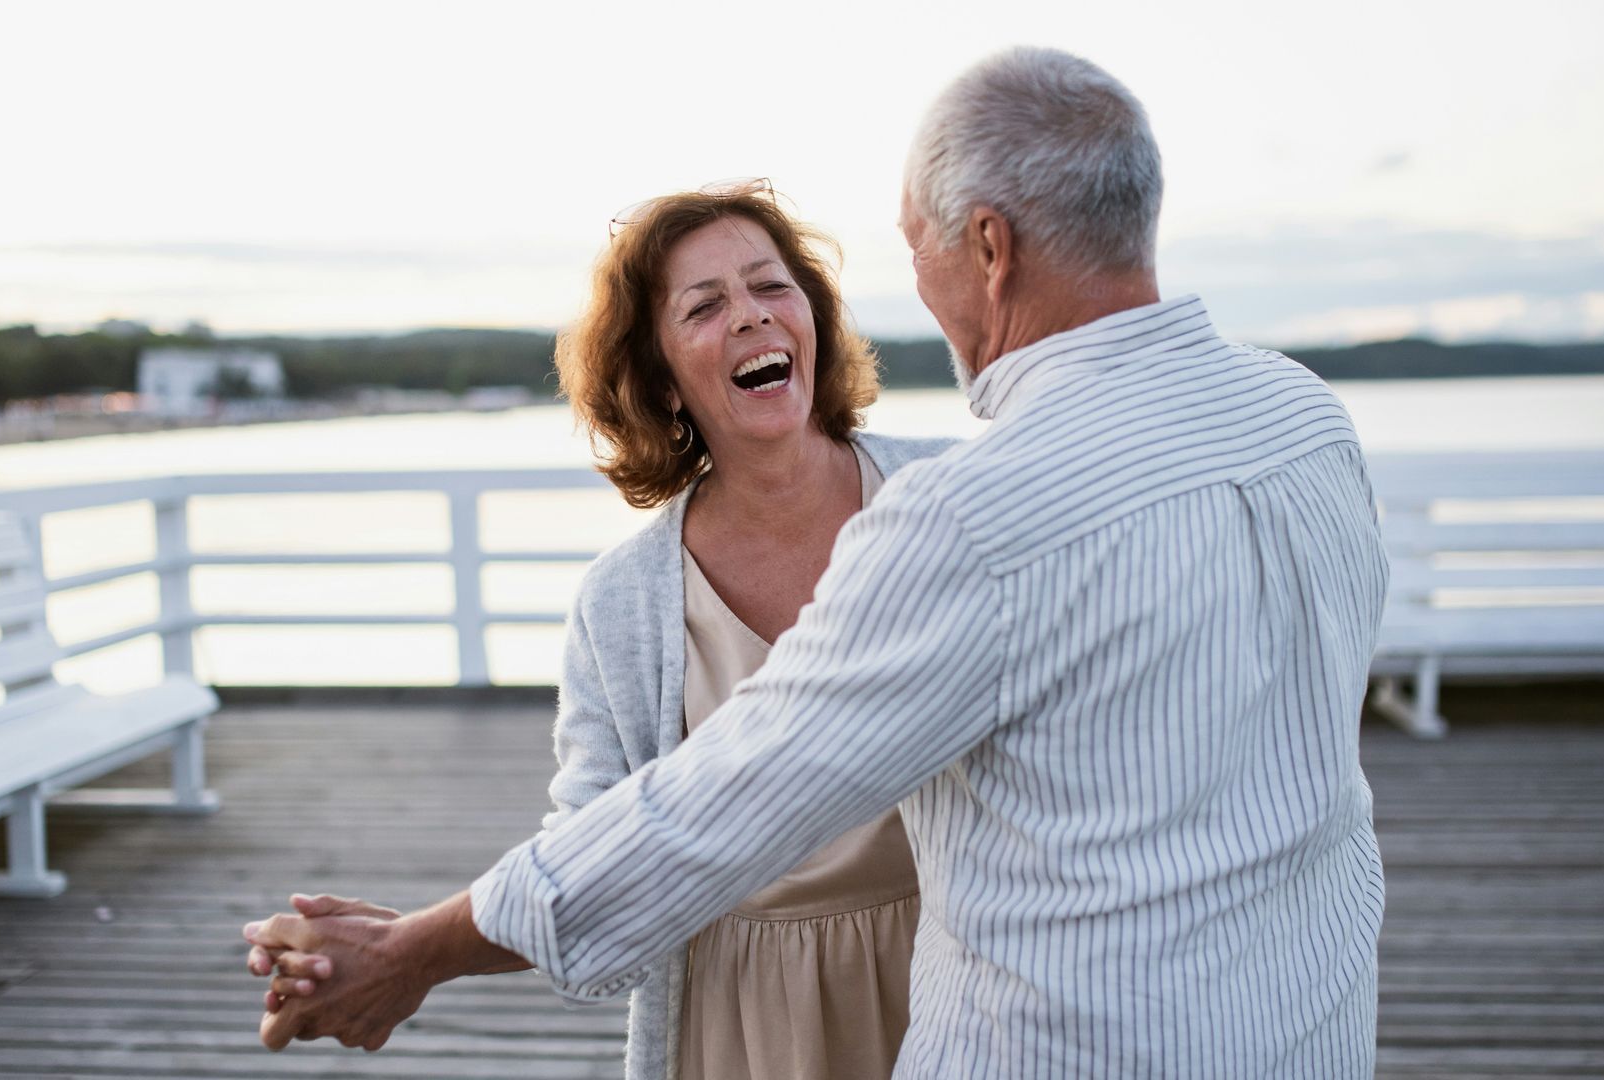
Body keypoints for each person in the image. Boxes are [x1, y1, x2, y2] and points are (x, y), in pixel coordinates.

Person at [247, 46, 1390, 1077]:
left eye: (918, 243)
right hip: (1307, 1030)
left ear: (988, 248)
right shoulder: (1303, 419)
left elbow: (717, 806)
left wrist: (412, 953)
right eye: (705, 305)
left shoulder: (968, 519)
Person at [249, 182, 952, 1079]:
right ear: (660, 376)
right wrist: (420, 940)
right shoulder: (623, 601)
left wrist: (423, 948)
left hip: (959, 979)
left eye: (771, 287)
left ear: (811, 318)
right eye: (704, 305)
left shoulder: (946, 498)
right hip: (735, 1025)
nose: (749, 317)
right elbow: (595, 856)